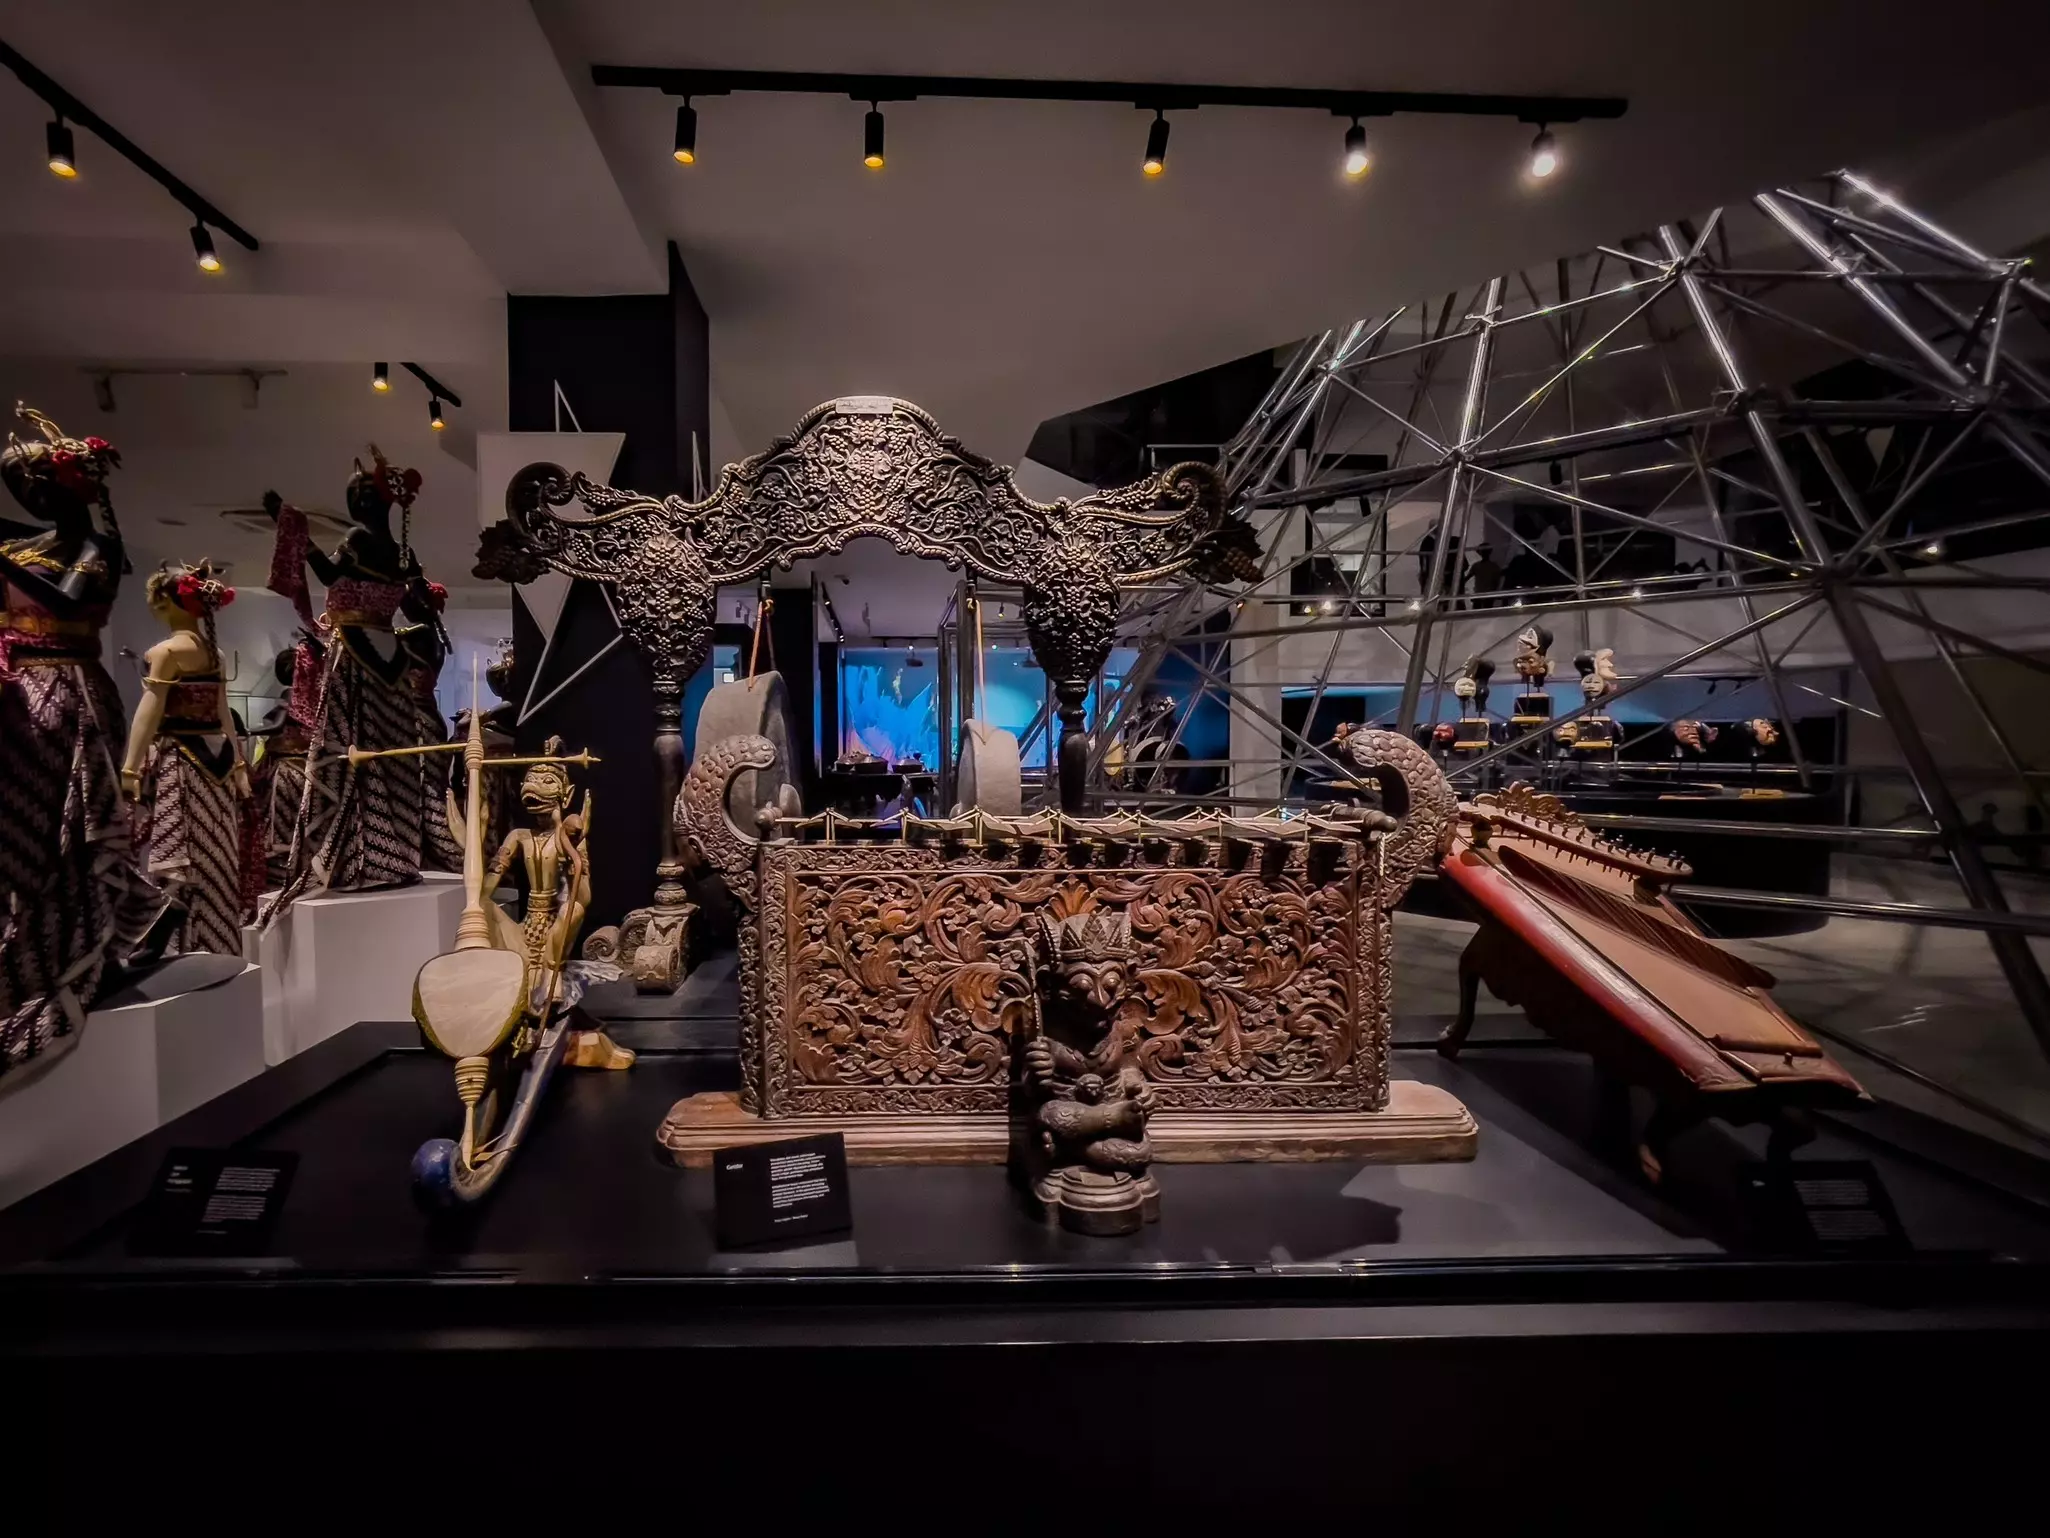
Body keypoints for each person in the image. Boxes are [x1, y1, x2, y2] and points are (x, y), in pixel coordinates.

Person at [0, 406, 166, 1083]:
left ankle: (88, 931)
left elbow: (67, 604)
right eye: (23, 488)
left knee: (78, 825)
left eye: (41, 484)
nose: (29, 497)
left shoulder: (97, 551)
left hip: (74, 697)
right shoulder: (19, 540)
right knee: (27, 824)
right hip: (20, 703)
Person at [120, 562, 250, 953]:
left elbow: (150, 710)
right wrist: (240, 764)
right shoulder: (215, 654)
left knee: (182, 855)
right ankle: (218, 940)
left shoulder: (167, 652)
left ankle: (181, 943)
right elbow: (224, 714)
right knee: (217, 858)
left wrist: (129, 767)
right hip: (219, 764)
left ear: (170, 602)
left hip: (181, 761)